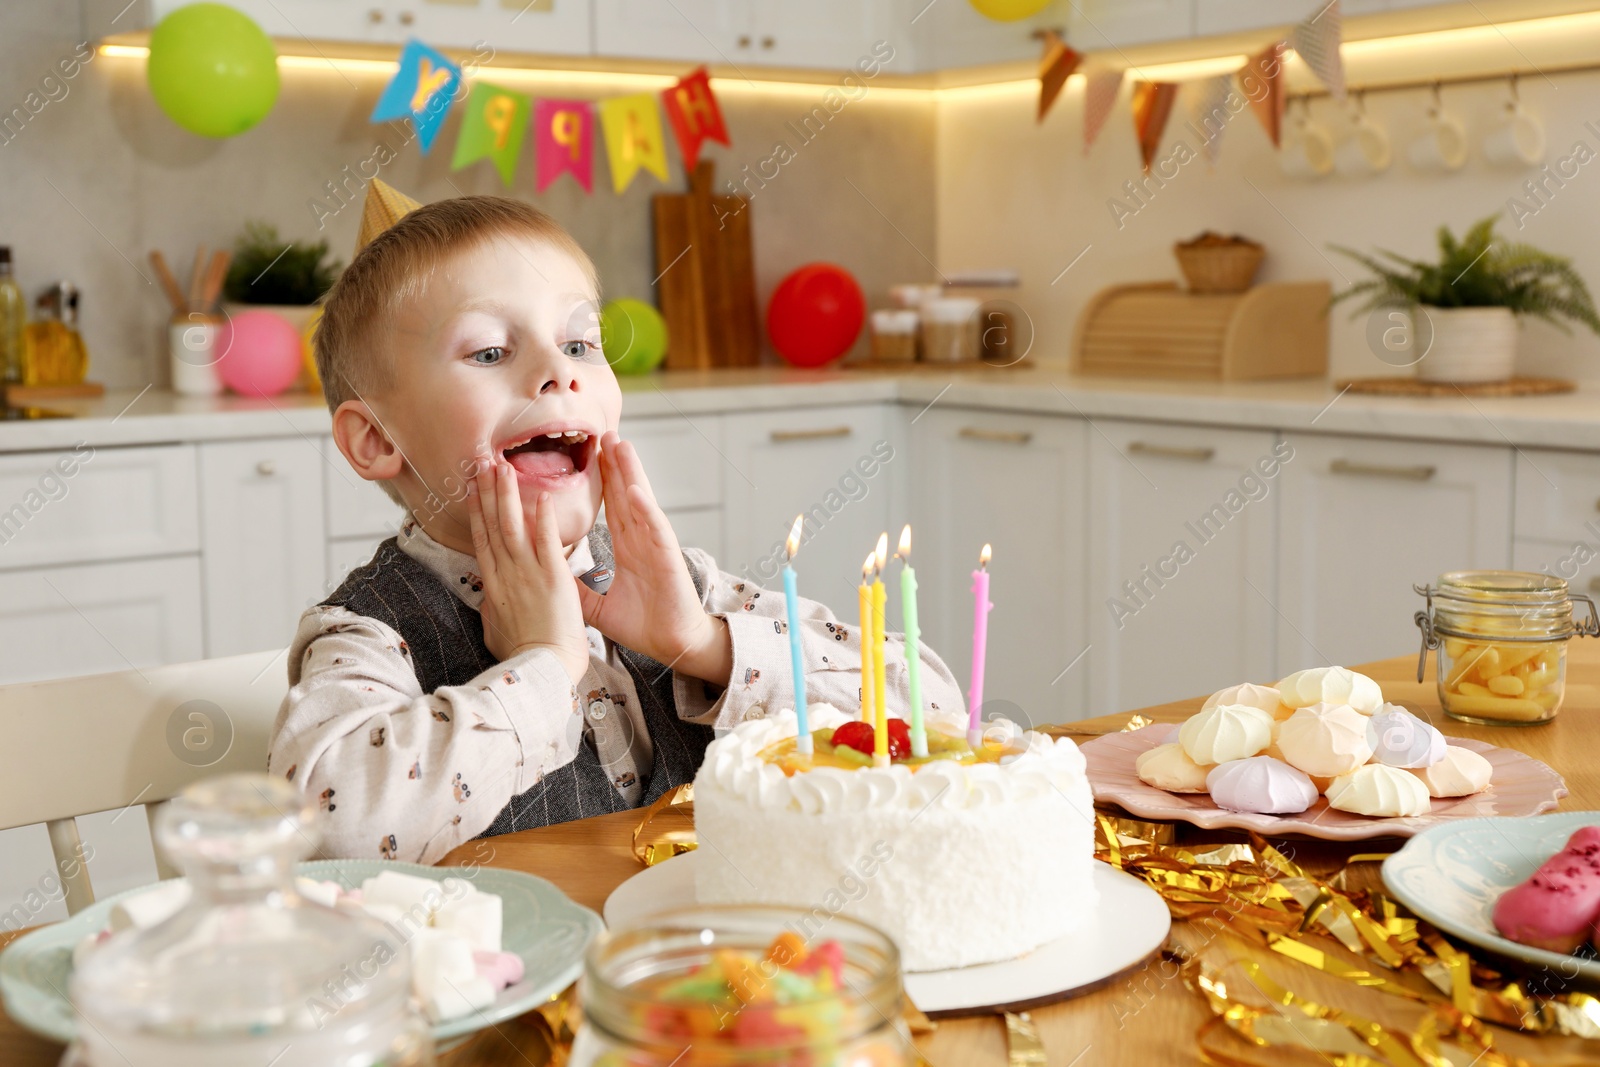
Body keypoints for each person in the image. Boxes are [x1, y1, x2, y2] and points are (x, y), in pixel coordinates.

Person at [268, 192, 964, 863]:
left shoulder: (680, 587)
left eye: (580, 342)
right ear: (375, 439)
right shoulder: (368, 633)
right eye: (488, 352)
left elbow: (934, 709)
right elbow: (323, 836)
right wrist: (543, 664)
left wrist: (704, 642)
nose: (555, 372)